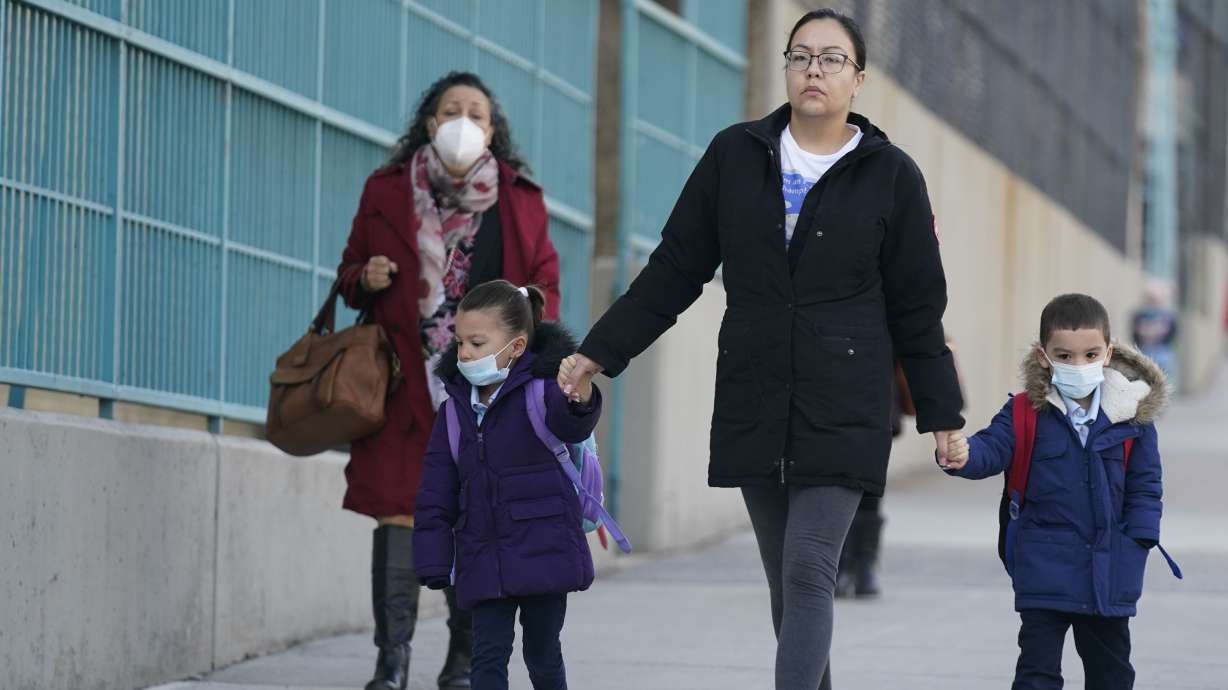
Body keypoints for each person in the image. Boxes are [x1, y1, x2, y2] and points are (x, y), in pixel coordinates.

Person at [557, 8, 964, 688]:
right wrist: (599, 352)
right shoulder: (735, 155)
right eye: (801, 56)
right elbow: (676, 269)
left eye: (832, 58)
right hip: (756, 392)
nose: (814, 69)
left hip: (845, 401)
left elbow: (917, 306)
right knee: (787, 581)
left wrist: (942, 412)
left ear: (859, 79)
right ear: (785, 69)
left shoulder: (892, 175)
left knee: (809, 569)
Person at [336, 72, 561, 690]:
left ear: (492, 129)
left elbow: (546, 281)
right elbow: (348, 272)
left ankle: (463, 662)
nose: (463, 121)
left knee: (476, 518)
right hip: (403, 382)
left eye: (476, 113)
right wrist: (365, 276)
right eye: (450, 110)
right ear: (430, 123)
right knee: (398, 512)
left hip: (483, 390)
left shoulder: (520, 198)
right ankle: (392, 662)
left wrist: (529, 305)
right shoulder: (387, 189)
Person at [942, 293, 1175, 690]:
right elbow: (992, 448)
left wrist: (1139, 538)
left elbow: (1146, 485)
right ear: (1044, 356)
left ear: (1108, 353)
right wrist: (964, 455)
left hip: (1109, 567)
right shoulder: (1024, 412)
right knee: (1037, 673)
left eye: (1090, 354)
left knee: (1112, 674)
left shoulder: (1132, 416)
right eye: (1064, 356)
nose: (1078, 365)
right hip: (1043, 565)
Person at [414, 280, 602, 690]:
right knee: (487, 657)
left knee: (543, 653)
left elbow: (574, 423)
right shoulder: (453, 412)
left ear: (516, 346)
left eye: (477, 343)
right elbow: (435, 491)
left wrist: (582, 395)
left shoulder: (544, 392)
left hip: (544, 547)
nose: (465, 353)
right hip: (483, 554)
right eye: (460, 342)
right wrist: (433, 558)